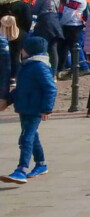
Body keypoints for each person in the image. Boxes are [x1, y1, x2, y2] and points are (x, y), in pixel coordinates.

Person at [0, 36, 57, 184]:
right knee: (32, 136)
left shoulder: (39, 66)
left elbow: (50, 89)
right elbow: (21, 89)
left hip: (34, 108)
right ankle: (41, 164)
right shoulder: (26, 66)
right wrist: (8, 100)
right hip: (25, 107)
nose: (21, 52)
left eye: (23, 49)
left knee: (25, 138)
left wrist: (46, 109)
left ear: (29, 51)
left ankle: (21, 169)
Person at [31, 0, 64, 78]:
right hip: (54, 21)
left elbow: (35, 10)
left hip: (44, 22)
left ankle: (42, 72)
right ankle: (53, 74)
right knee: (53, 49)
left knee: (42, 48)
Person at [58, 0, 90, 78]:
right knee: (74, 47)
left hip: (72, 24)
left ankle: (82, 67)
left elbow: (69, 13)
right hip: (74, 24)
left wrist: (61, 22)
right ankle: (76, 67)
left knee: (75, 47)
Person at [0, 0, 33, 83]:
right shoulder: (23, 4)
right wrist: (24, 30)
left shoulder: (2, 4)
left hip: (2, 32)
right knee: (16, 54)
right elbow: (28, 20)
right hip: (19, 32)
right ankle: (13, 76)